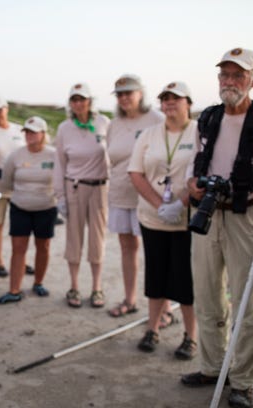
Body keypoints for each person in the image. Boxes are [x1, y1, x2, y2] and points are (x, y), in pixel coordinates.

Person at [181, 47, 253, 408]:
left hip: (245, 217)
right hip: (207, 212)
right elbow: (194, 163)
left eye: (237, 75)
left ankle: (242, 381)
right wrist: (192, 184)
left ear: (250, 80)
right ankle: (212, 367)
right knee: (207, 295)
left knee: (246, 302)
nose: (229, 82)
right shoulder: (208, 118)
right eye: (224, 75)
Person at [128, 81, 197, 359]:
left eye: (176, 99)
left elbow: (202, 173)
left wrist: (180, 203)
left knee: (185, 279)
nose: (169, 103)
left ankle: (190, 337)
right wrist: (160, 206)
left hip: (186, 220)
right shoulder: (148, 134)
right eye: (165, 99)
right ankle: (153, 328)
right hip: (153, 218)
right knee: (155, 275)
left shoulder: (200, 132)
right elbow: (135, 172)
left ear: (188, 103)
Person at [106, 74, 174, 324]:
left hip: (149, 196)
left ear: (140, 93)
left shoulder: (156, 119)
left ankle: (164, 307)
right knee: (127, 248)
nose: (124, 98)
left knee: (155, 252)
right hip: (120, 194)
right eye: (120, 94)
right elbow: (112, 158)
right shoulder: (114, 124)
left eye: (128, 93)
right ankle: (129, 299)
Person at [53, 83, 110, 308]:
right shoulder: (64, 128)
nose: (78, 103)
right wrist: (60, 197)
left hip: (100, 188)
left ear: (89, 101)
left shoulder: (103, 123)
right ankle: (74, 286)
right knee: (74, 240)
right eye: (74, 100)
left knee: (97, 240)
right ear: (70, 103)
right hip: (74, 187)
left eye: (82, 99)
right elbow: (59, 164)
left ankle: (97, 288)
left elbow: (113, 155)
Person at [0, 116, 57, 304]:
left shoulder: (53, 154)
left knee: (43, 246)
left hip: (46, 207)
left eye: (33, 131)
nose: (29, 135)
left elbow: (61, 179)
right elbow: (6, 181)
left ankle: (38, 282)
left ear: (43, 134)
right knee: (18, 248)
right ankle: (14, 290)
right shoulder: (16, 155)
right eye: (27, 131)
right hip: (20, 207)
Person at [0, 95, 31, 278]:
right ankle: (0, 261)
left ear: (6, 109)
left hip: (20, 184)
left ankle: (22, 261)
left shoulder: (19, 130)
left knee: (22, 225)